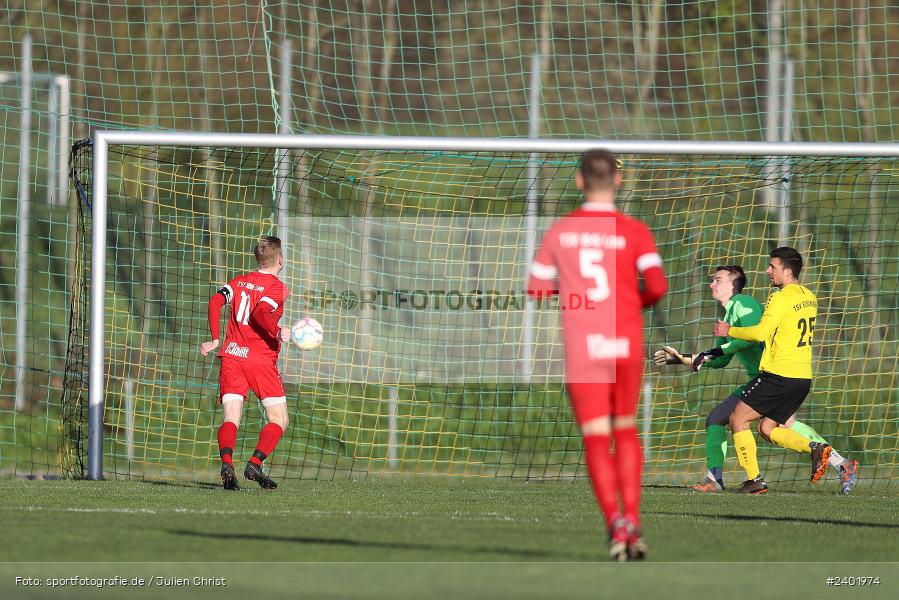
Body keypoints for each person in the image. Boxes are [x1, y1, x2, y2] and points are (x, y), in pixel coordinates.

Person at [527, 149, 668, 561]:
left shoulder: (561, 231)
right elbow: (658, 287)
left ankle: (615, 522)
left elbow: (536, 287)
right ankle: (634, 518)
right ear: (618, 182)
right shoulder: (635, 230)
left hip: (584, 344)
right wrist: (630, 302)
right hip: (625, 340)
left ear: (579, 181)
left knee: (595, 435)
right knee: (625, 427)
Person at [654, 266, 859, 494]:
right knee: (732, 421)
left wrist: (704, 353)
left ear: (734, 284)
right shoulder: (731, 312)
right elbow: (723, 358)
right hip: (766, 378)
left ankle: (746, 480)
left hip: (774, 376)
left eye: (717, 280)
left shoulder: (745, 304)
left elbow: (752, 339)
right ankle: (840, 464)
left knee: (757, 423)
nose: (711, 284)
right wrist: (681, 359)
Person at [712, 247, 830, 494]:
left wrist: (728, 331)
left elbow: (759, 333)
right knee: (768, 429)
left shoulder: (780, 297)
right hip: (802, 377)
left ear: (787, 272)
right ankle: (816, 448)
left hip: (779, 374)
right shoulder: (809, 296)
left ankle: (754, 481)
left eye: (772, 266)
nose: (767, 271)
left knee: (737, 418)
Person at [200, 236, 292, 491]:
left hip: (231, 355)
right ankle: (254, 464)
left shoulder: (239, 282)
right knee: (279, 419)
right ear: (280, 259)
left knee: (231, 416)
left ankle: (227, 464)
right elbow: (261, 313)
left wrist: (215, 339)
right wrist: (277, 332)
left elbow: (215, 301)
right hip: (260, 360)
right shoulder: (278, 287)